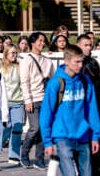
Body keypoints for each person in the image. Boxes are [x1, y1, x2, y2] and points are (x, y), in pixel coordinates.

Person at [40, 45, 100, 176]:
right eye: (77, 62)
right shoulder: (56, 83)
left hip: (83, 136)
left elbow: (92, 109)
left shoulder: (85, 81)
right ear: (66, 61)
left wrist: (95, 136)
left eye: (81, 61)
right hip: (62, 137)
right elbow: (46, 114)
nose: (80, 65)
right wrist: (47, 142)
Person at [19, 32, 54, 170]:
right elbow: (24, 81)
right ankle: (24, 154)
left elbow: (53, 79)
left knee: (43, 129)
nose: (42, 43)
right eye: (40, 41)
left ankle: (39, 159)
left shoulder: (48, 61)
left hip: (45, 99)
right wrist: (27, 100)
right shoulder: (26, 59)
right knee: (35, 128)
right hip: (32, 99)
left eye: (44, 41)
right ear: (32, 42)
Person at [77, 34, 100, 176]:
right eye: (85, 45)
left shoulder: (93, 62)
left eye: (90, 45)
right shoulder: (75, 65)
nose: (88, 47)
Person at [0, 44, 24, 164]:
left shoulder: (20, 67)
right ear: (6, 54)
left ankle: (14, 155)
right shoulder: (0, 67)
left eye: (16, 53)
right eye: (12, 53)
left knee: (17, 129)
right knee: (5, 127)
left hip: (18, 102)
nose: (14, 55)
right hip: (5, 102)